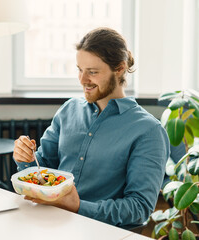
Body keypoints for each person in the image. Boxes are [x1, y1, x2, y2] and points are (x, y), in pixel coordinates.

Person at [13, 27, 170, 229]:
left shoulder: (148, 131)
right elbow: (41, 169)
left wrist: (78, 207)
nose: (82, 80)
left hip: (100, 231)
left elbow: (139, 208)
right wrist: (25, 159)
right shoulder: (69, 110)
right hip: (50, 222)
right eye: (79, 69)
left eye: (93, 72)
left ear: (120, 68)